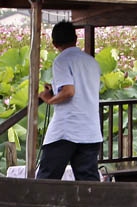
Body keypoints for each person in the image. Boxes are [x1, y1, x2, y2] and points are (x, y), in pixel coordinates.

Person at [36, 20, 103, 181]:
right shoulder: (91, 61)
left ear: (54, 43)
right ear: (75, 39)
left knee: (47, 180)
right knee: (88, 183)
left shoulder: (62, 60)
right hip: (90, 130)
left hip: (66, 130)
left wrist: (49, 99)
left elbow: (68, 91)